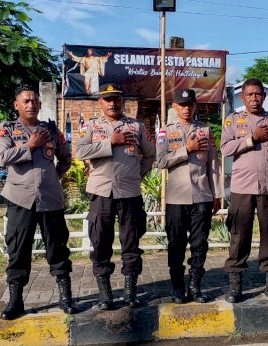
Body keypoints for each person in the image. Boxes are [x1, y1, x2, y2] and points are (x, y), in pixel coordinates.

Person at [0, 85, 77, 320]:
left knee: (58, 248)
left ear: (40, 104)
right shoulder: (7, 130)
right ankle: (15, 301)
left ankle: (66, 297)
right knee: (18, 250)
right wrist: (29, 146)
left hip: (50, 200)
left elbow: (66, 158)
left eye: (35, 100)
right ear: (16, 105)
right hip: (20, 199)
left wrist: (52, 178)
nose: (31, 104)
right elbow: (2, 158)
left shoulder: (50, 129)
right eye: (26, 101)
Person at [74, 83, 156, 310]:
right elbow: (80, 152)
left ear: (122, 102)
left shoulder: (136, 126)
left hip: (129, 193)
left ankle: (130, 291)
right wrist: (109, 142)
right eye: (107, 100)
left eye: (116, 99)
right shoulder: (90, 126)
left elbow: (150, 155)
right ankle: (105, 294)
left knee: (131, 243)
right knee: (100, 242)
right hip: (101, 192)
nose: (112, 103)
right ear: (100, 103)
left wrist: (136, 175)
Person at [220, 78, 268, 303]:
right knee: (238, 235)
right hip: (243, 187)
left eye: (258, 94)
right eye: (250, 95)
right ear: (242, 98)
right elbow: (225, 149)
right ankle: (235, 287)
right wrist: (252, 138)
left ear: (264, 96)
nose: (254, 98)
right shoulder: (232, 121)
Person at [155, 88, 222, 303]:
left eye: (190, 104)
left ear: (195, 106)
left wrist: (217, 194)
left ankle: (195, 287)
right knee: (175, 244)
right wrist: (186, 149)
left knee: (199, 244)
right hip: (176, 199)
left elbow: (213, 164)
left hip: (202, 196)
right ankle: (177, 288)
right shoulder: (165, 132)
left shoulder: (205, 130)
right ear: (174, 107)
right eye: (181, 105)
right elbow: (160, 161)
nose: (186, 108)